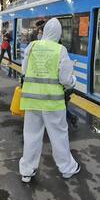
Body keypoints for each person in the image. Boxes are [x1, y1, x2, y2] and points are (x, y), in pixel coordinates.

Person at [19, 18, 80, 183]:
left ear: (44, 31)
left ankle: (27, 171)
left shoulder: (32, 46)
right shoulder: (60, 50)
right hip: (53, 103)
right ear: (59, 33)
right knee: (58, 136)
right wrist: (73, 80)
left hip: (31, 101)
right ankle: (67, 168)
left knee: (31, 135)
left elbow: (24, 70)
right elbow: (65, 80)